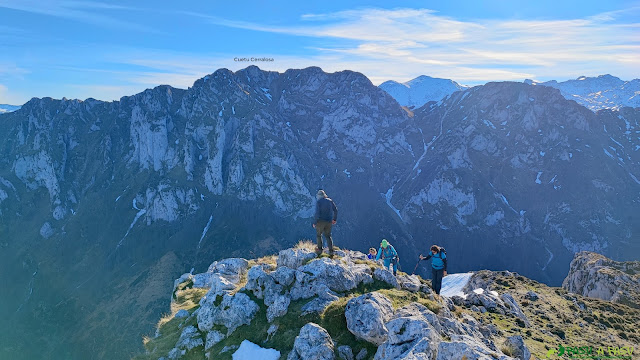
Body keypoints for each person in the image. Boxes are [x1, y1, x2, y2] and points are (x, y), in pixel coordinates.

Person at [312, 189, 338, 257]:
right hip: (329, 221)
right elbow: (335, 210)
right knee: (328, 236)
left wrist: (315, 222)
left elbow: (317, 213)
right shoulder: (330, 201)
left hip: (320, 221)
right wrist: (334, 219)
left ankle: (320, 250)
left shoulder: (319, 202)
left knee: (319, 235)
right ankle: (331, 251)